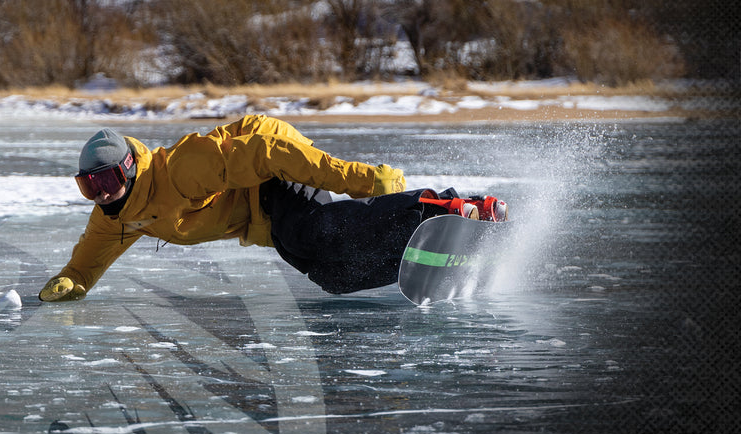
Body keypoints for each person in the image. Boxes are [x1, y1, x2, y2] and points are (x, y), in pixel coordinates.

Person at [39, 115, 505, 301]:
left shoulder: (181, 169)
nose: (100, 192)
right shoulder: (115, 218)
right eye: (88, 185)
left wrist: (360, 179)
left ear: (129, 169)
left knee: (315, 234)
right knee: (333, 276)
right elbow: (86, 262)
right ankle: (418, 251)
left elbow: (265, 152)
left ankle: (443, 205)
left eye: (107, 179)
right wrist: (68, 283)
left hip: (269, 167)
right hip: (260, 219)